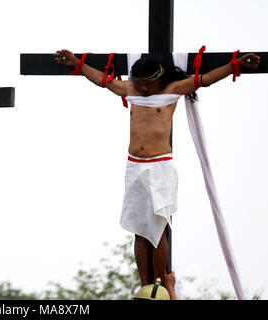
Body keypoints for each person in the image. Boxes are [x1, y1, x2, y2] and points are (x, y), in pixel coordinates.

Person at [54, 49, 260, 299]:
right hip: (134, 166)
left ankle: (160, 283)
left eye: (148, 84)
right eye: (139, 84)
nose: (143, 89)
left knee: (158, 229)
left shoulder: (172, 90)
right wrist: (77, 63)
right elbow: (102, 80)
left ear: (159, 80)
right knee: (139, 231)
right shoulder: (131, 90)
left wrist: (234, 65)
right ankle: (145, 286)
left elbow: (204, 79)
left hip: (160, 166)